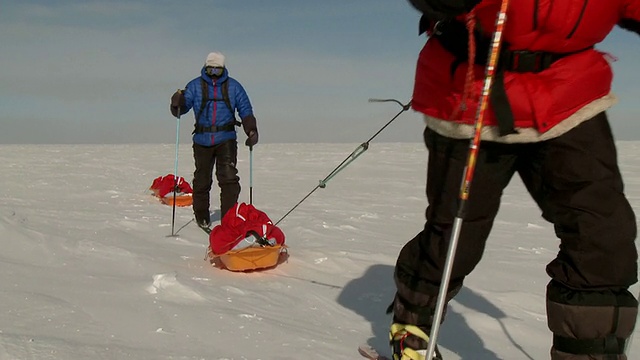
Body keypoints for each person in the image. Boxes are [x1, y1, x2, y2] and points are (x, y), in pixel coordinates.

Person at [390, 1, 640, 359]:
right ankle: (411, 331)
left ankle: (591, 353)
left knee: (602, 236)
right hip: (472, 92)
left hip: (569, 97)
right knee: (456, 238)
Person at [169, 52, 259, 228]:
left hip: (226, 139)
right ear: (205, 67)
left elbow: (245, 109)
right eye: (211, 69)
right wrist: (176, 103)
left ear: (223, 69)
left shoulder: (234, 87)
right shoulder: (194, 86)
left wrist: (251, 129)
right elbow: (182, 109)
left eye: (217, 70)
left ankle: (228, 218)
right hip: (202, 140)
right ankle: (201, 215)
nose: (214, 73)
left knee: (229, 178)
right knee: (202, 179)